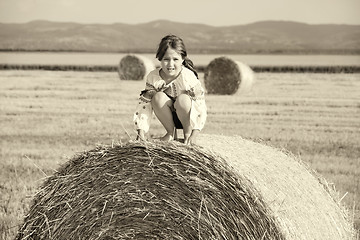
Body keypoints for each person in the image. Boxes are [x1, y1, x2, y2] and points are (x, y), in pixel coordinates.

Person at [133, 34, 207, 145]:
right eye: (166, 59)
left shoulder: (188, 77)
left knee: (183, 99)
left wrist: (194, 134)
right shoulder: (153, 77)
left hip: (189, 117)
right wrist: (140, 131)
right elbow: (144, 105)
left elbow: (200, 105)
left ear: (182, 59)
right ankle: (171, 133)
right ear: (160, 59)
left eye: (175, 59)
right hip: (168, 117)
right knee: (157, 97)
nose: (170, 64)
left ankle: (187, 134)